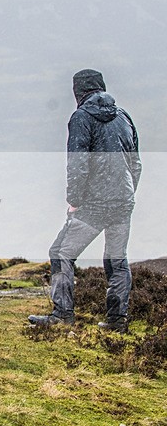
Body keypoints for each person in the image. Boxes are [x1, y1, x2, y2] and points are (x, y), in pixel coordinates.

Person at [29, 69, 142, 332]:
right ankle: (116, 321)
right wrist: (127, 193)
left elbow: (78, 165)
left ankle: (62, 315)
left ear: (78, 92)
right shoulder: (124, 117)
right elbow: (135, 163)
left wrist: (74, 200)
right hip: (123, 201)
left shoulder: (81, 118)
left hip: (94, 204)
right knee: (117, 259)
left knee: (60, 253)